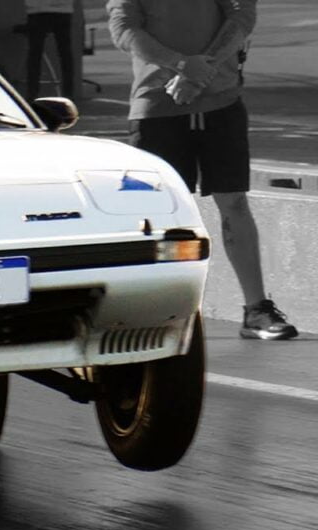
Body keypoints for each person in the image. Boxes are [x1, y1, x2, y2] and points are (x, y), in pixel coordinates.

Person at [107, 0, 297, 340]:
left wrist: (200, 71)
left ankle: (256, 309)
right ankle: (157, 310)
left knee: (234, 203)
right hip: (156, 108)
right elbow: (124, 29)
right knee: (158, 213)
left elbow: (241, 16)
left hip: (221, 102)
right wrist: (181, 65)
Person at [24, 0, 75, 100]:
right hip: (63, 9)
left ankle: (32, 93)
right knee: (65, 53)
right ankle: (68, 92)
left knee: (35, 54)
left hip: (37, 10)